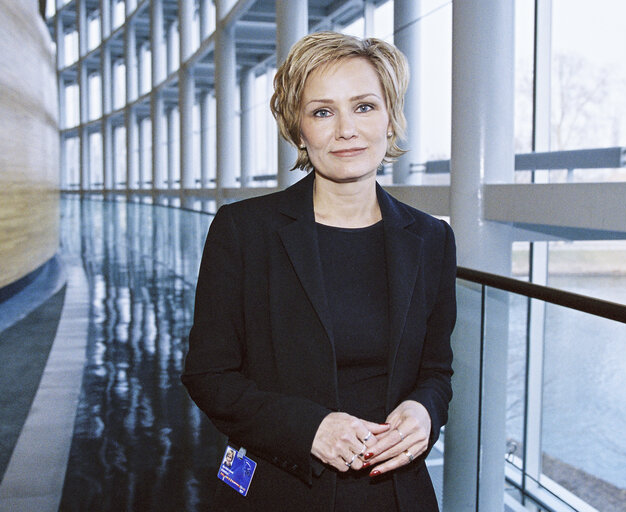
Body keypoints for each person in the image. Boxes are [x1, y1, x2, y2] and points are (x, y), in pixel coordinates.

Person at [182, 31, 456, 511]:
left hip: (393, 493)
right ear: (299, 129)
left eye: (365, 106)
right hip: (280, 486)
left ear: (391, 119)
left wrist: (424, 410)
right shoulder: (244, 231)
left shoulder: (431, 238)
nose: (346, 129)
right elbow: (209, 375)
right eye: (323, 112)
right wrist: (309, 429)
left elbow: (435, 371)